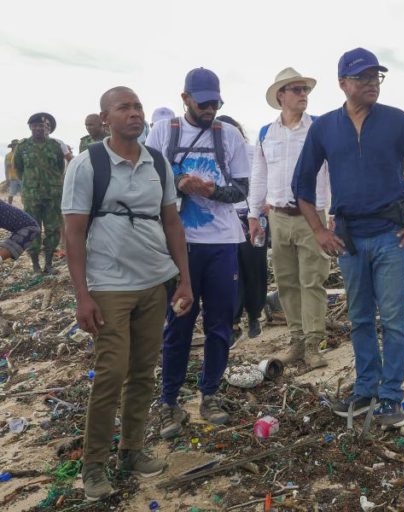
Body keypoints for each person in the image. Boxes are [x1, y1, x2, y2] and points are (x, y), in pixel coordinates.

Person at [293, 48, 404, 428]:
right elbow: (302, 184)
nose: (371, 83)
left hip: (390, 237)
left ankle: (391, 397)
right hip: (348, 240)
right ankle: (365, 391)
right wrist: (319, 230)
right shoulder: (324, 128)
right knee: (360, 318)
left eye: (376, 76)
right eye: (362, 77)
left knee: (393, 319)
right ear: (342, 84)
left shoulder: (397, 121)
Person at [62, 86, 193, 501]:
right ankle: (94, 465)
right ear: (105, 119)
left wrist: (184, 280)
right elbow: (73, 233)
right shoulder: (88, 165)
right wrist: (83, 296)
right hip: (109, 286)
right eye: (124, 108)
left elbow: (171, 223)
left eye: (138, 107)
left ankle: (131, 451)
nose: (134, 113)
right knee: (111, 373)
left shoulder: (157, 162)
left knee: (142, 371)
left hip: (154, 282)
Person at [146, 67, 250, 437]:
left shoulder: (229, 135)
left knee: (220, 323)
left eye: (215, 103)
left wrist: (211, 191)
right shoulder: (164, 132)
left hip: (222, 243)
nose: (209, 109)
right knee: (178, 324)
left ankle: (210, 394)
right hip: (180, 245)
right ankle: (169, 402)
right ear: (185, 98)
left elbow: (242, 188)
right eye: (203, 102)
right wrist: (179, 182)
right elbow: (149, 178)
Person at [249, 67, 331, 368]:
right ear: (281, 95)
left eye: (305, 89)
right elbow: (259, 175)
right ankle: (296, 339)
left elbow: (332, 170)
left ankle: (313, 345)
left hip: (313, 217)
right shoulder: (265, 133)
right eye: (296, 89)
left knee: (313, 281)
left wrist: (334, 212)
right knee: (286, 282)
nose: (303, 94)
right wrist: (253, 215)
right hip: (278, 216)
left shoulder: (319, 128)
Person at [217, 114, 267, 343]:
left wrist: (262, 208)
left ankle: (255, 315)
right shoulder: (213, 155)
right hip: (226, 220)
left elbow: (263, 178)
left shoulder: (251, 151)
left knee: (254, 267)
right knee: (232, 270)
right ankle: (234, 320)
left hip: (252, 217)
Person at [14, 112, 65, 273]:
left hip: (53, 196)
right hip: (32, 196)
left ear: (47, 128)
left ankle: (48, 264)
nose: (38, 128)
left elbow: (60, 168)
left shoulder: (55, 146)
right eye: (35, 125)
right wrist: (31, 185)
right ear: (30, 127)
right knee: (32, 228)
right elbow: (19, 170)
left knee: (53, 229)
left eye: (42, 126)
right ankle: (35, 265)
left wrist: (51, 184)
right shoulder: (22, 147)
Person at [4, 140, 22, 204]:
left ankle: (25, 208)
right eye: (15, 145)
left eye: (17, 145)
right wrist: (7, 179)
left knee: (24, 194)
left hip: (22, 178)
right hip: (13, 178)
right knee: (11, 194)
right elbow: (7, 168)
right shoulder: (8, 155)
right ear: (12, 146)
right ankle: (9, 206)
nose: (16, 146)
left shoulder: (21, 154)